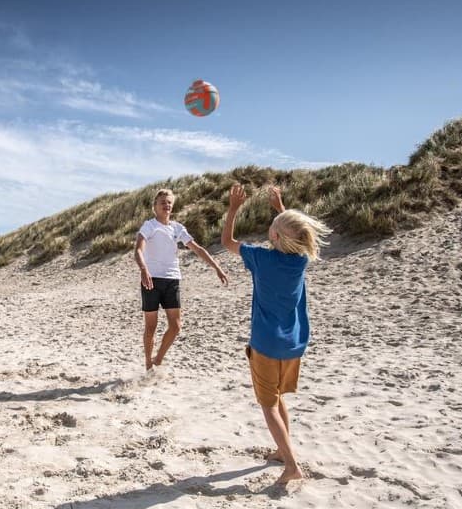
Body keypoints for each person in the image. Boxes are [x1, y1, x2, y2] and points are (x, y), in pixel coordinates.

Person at [222, 184, 332, 484]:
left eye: (272, 226)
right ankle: (282, 452)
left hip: (266, 344)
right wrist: (281, 209)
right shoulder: (300, 260)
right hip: (294, 345)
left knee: (268, 405)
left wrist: (233, 209)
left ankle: (292, 465)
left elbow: (227, 241)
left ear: (274, 237)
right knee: (278, 396)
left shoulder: (260, 258)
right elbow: (296, 238)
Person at [135, 188, 228, 372]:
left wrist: (216, 267)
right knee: (151, 327)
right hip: (151, 279)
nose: (166, 205)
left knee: (176, 326)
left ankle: (158, 359)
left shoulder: (177, 228)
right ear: (155, 206)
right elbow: (138, 250)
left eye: (169, 202)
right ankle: (147, 363)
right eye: (162, 202)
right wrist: (143, 269)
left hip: (172, 279)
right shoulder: (149, 226)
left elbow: (197, 248)